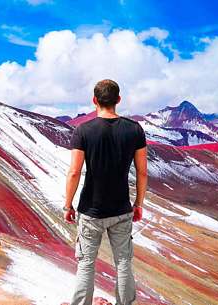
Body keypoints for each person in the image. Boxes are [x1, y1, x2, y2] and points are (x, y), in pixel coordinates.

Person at [63, 79, 148, 305]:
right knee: (123, 262)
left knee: (86, 263)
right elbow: (142, 173)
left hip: (90, 210)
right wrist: (138, 204)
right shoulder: (135, 130)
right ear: (118, 100)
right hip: (121, 209)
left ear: (94, 101)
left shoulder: (83, 131)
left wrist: (67, 205)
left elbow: (74, 172)